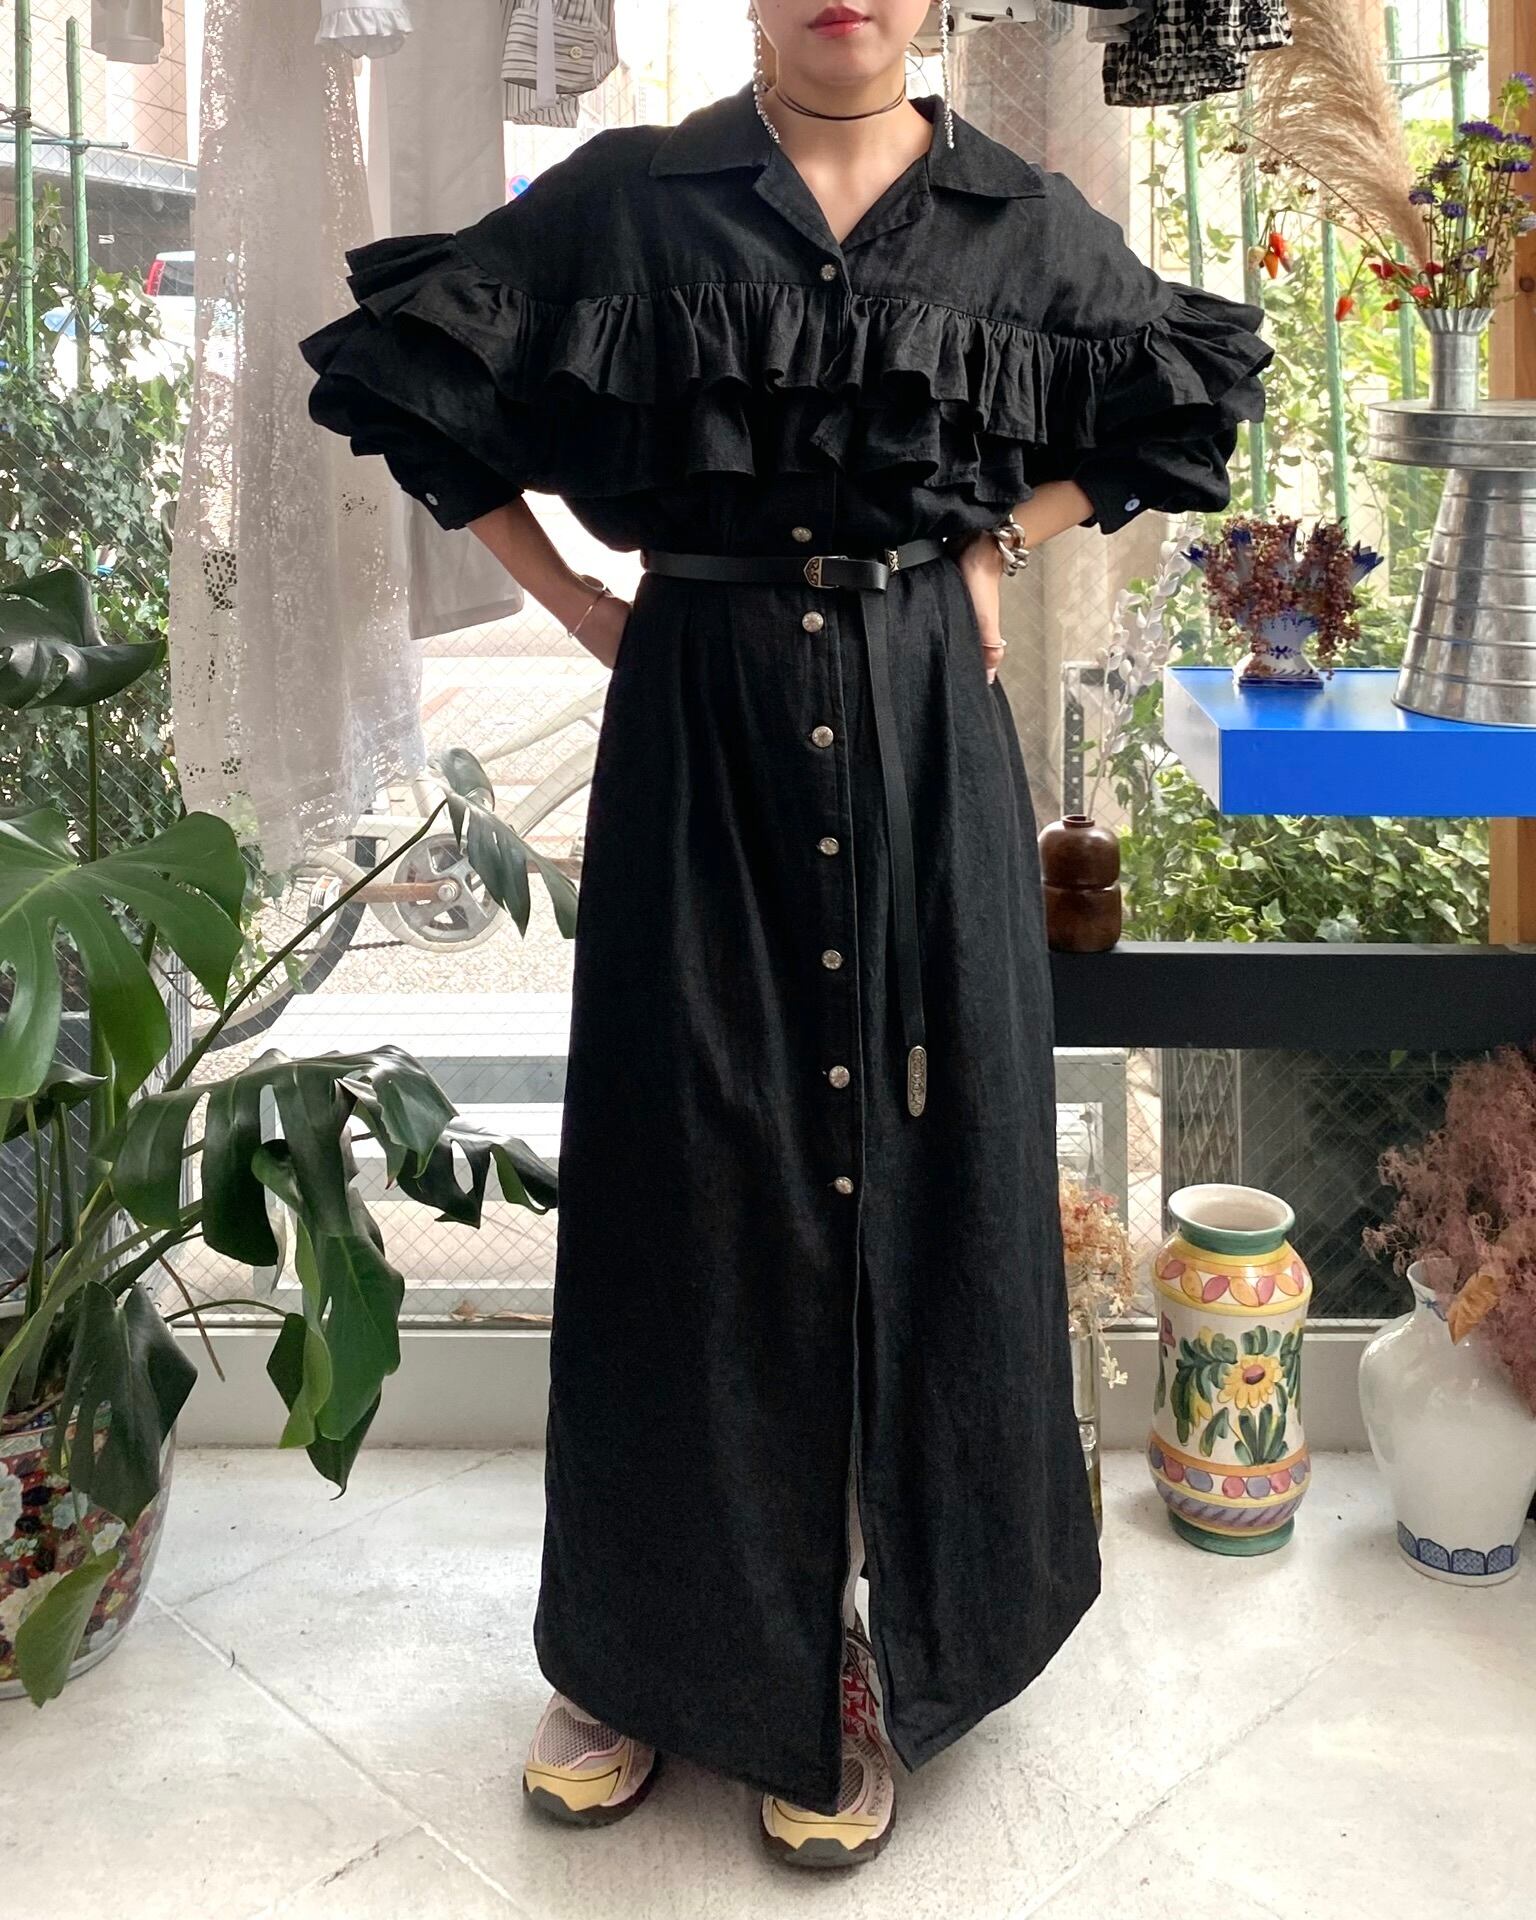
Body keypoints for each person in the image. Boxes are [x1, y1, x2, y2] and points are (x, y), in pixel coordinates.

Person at [301, 0, 1270, 1871]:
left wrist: (997, 537)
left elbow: (1184, 398)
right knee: (681, 1165)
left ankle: (880, 1643)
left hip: (924, 717)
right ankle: (644, 1649)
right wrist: (583, 604)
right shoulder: (630, 197)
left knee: (936, 1163)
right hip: (703, 712)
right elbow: (413, 383)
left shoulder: (1015, 215)